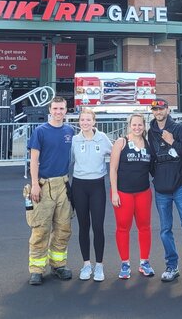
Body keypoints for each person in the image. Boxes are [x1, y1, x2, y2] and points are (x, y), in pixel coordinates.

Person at [146, 98, 182, 283]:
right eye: (155, 109)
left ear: (167, 110)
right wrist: (157, 177)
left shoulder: (179, 129)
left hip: (181, 187)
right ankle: (172, 266)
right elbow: (152, 159)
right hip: (162, 188)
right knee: (165, 230)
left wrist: (172, 142)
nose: (158, 111)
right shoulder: (151, 132)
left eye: (161, 108)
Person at [26, 96, 75, 285]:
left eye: (61, 108)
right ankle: (36, 269)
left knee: (63, 228)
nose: (58, 112)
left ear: (66, 110)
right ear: (50, 110)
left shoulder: (69, 131)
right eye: (55, 108)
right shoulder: (40, 131)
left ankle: (58, 265)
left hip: (63, 185)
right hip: (43, 186)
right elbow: (34, 160)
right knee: (40, 229)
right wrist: (35, 184)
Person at [109, 112, 154, 280]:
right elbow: (113, 169)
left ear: (144, 126)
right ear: (129, 126)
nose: (137, 128)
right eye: (134, 125)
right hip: (123, 193)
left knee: (145, 227)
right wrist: (114, 192)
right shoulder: (121, 142)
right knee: (123, 228)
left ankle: (144, 262)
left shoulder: (148, 144)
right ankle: (125, 263)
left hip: (143, 192)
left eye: (140, 125)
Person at [70, 108, 113, 281]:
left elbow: (116, 153)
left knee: (98, 226)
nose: (85, 123)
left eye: (88, 120)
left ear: (94, 122)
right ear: (79, 122)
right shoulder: (74, 140)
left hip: (97, 186)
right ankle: (86, 264)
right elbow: (68, 161)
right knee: (83, 227)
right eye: (82, 120)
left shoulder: (102, 138)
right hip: (79, 185)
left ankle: (99, 266)